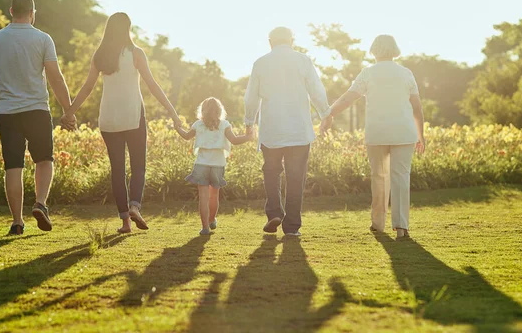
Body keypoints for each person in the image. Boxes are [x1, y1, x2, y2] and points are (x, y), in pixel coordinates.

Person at [62, 12, 181, 234]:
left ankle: (126, 222)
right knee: (138, 166)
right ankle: (135, 205)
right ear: (128, 28)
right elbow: (152, 85)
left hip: (109, 118)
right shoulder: (135, 53)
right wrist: (172, 112)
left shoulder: (100, 56)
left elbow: (87, 87)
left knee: (117, 170)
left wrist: (69, 112)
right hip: (133, 115)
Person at [0, 0, 76, 235]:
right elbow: (55, 78)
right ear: (33, 13)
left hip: (7, 113)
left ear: (11, 11)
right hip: (37, 110)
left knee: (13, 167)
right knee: (44, 160)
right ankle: (40, 203)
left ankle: (16, 222)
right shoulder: (43, 39)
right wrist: (68, 110)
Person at [324, 34, 425, 239]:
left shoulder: (368, 73)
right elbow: (417, 107)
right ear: (394, 50)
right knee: (400, 178)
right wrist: (421, 135)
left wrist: (329, 114)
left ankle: (378, 224)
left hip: (377, 132)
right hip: (404, 132)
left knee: (379, 177)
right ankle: (401, 227)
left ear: (374, 50)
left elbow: (348, 98)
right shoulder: (406, 73)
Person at [244, 27, 333, 237]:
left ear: (270, 42)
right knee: (296, 177)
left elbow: (251, 97)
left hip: (272, 130)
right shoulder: (303, 61)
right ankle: (292, 227)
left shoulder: (260, 63)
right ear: (292, 41)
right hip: (299, 130)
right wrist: (325, 114)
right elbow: (317, 90)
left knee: (271, 171)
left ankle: (274, 212)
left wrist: (249, 122)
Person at [174, 97, 254, 235]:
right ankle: (211, 220)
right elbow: (234, 140)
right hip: (218, 165)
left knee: (203, 198)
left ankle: (205, 227)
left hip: (201, 164)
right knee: (213, 196)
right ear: (219, 110)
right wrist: (247, 137)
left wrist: (177, 127)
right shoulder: (224, 124)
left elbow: (186, 136)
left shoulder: (198, 124)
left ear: (203, 111)